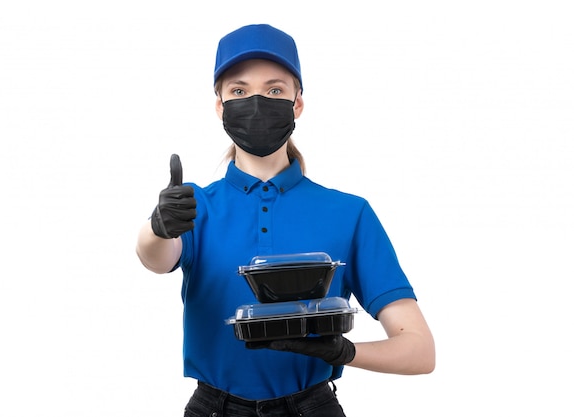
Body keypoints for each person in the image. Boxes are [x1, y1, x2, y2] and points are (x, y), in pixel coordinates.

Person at [136, 23, 435, 417]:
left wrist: (346, 352)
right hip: (214, 409)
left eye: (274, 90)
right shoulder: (194, 205)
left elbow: (419, 350)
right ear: (219, 106)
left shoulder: (349, 213)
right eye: (239, 90)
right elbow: (155, 258)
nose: (257, 101)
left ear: (297, 104)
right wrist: (159, 226)